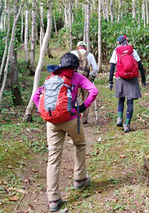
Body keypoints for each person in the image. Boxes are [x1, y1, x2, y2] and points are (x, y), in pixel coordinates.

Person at [32, 53, 99, 212]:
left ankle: (53, 199)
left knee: (53, 158)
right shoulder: (77, 77)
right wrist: (83, 107)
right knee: (80, 144)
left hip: (52, 122)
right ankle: (79, 179)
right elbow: (94, 91)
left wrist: (46, 113)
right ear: (75, 67)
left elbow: (36, 96)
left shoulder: (51, 78)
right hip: (71, 119)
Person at [108, 35, 146, 133]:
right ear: (126, 41)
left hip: (120, 77)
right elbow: (140, 66)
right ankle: (127, 124)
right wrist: (143, 80)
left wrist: (110, 81)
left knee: (121, 98)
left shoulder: (116, 52)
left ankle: (119, 118)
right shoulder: (132, 51)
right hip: (132, 78)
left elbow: (112, 67)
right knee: (130, 101)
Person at [69, 41, 99, 124]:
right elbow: (95, 68)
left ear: (77, 47)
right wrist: (93, 76)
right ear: (85, 47)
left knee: (73, 96)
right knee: (85, 97)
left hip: (74, 77)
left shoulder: (73, 53)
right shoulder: (90, 55)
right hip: (86, 78)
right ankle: (84, 119)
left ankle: (72, 116)